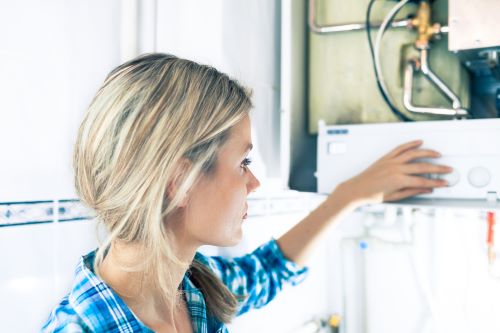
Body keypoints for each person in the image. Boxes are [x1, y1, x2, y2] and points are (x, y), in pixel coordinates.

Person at [42, 53, 451, 333]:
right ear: (178, 181)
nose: (252, 183)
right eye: (243, 164)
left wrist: (350, 195)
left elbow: (270, 270)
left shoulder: (192, 287)